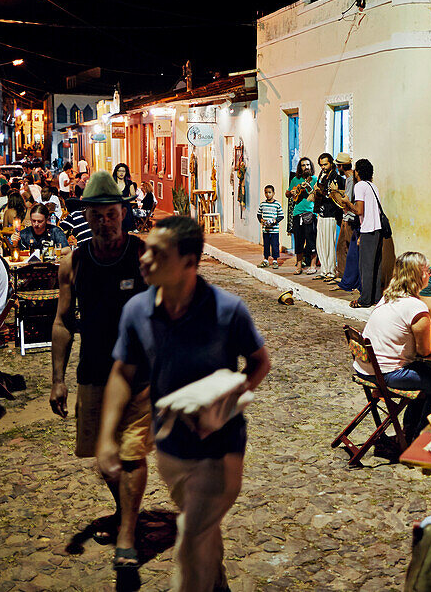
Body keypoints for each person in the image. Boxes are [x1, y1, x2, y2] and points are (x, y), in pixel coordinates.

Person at [98, 216, 270, 591]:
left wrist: (228, 400)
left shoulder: (228, 310)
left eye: (158, 253)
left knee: (193, 534)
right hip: (171, 446)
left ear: (190, 263)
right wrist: (107, 435)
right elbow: (122, 374)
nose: (144, 259)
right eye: (146, 250)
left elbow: (259, 362)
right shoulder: (137, 312)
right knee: (201, 527)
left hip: (221, 447)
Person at [52, 171, 151, 569]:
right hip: (92, 372)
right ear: (86, 217)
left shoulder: (144, 256)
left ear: (123, 213)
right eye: (96, 216)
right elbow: (62, 322)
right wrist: (57, 379)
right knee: (103, 457)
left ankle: (128, 529)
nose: (104, 222)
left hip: (138, 376)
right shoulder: (73, 262)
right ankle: (128, 511)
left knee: (130, 453)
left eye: (110, 214)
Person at [360, 251, 431, 441]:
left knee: (428, 376)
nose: (429, 274)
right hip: (387, 373)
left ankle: (409, 429)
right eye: (427, 270)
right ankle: (421, 437)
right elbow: (424, 351)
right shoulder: (416, 307)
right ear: (418, 275)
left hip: (366, 367)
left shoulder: (388, 297)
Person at [348, 158, 387, 307]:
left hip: (368, 230)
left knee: (366, 267)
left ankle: (365, 300)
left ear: (357, 172)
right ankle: (376, 297)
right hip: (378, 230)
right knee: (376, 265)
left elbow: (359, 210)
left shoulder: (360, 186)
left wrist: (347, 203)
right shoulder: (373, 186)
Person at [311, 152, 345, 281]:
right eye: (321, 165)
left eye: (325, 164)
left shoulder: (337, 178)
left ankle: (330, 270)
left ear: (331, 163)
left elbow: (336, 197)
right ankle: (324, 270)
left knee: (329, 243)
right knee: (320, 243)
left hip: (331, 214)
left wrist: (322, 192)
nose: (323, 167)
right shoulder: (322, 176)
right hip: (321, 213)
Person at [286, 157, 317, 275]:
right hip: (297, 213)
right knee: (298, 241)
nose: (306, 167)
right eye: (303, 165)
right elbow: (287, 193)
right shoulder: (295, 179)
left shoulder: (314, 179)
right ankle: (299, 265)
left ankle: (313, 265)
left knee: (311, 240)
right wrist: (292, 192)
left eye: (308, 165)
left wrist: (308, 187)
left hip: (310, 212)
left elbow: (314, 194)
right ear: (300, 167)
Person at [333, 153, 357, 286]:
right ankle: (343, 276)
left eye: (338, 165)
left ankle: (348, 279)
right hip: (346, 218)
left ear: (341, 166)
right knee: (341, 247)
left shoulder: (351, 179)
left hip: (350, 219)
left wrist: (335, 193)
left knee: (346, 249)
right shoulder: (350, 179)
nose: (337, 167)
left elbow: (345, 202)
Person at [256, 184, 283, 268]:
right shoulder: (262, 204)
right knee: (266, 245)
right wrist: (261, 220)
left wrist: (275, 221)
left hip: (274, 230)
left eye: (270, 192)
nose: (268, 194)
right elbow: (259, 214)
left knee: (275, 245)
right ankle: (265, 260)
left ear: (273, 193)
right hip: (266, 230)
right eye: (266, 192)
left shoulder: (277, 204)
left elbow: (281, 216)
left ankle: (275, 260)